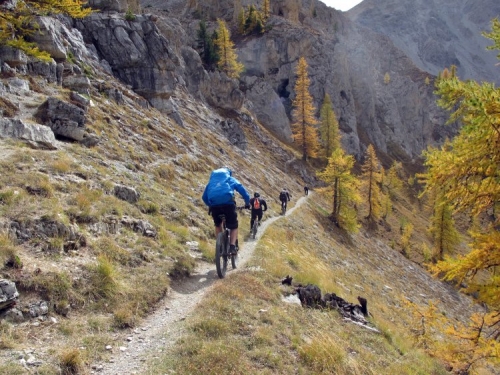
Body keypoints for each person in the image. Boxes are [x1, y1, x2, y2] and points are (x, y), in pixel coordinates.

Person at [202, 167, 250, 255]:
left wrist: (210, 205)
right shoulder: (230, 179)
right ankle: (232, 246)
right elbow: (242, 190)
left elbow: (204, 197)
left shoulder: (211, 183)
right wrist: (247, 203)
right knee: (234, 226)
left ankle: (219, 246)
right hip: (228, 205)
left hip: (215, 207)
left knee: (218, 224)